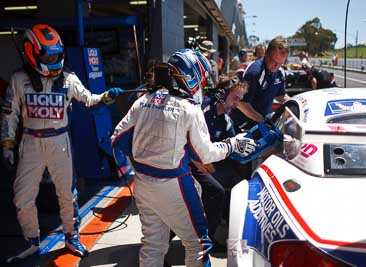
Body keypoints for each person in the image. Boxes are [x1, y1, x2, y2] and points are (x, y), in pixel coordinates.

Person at [111, 49, 257, 267]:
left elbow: (117, 140)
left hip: (142, 181)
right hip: (173, 183)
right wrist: (233, 144)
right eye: (203, 79)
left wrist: (146, 157)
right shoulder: (190, 109)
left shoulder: (143, 101)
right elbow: (205, 154)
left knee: (153, 245)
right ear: (192, 76)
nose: (204, 85)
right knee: (198, 245)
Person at [1, 24, 121, 263]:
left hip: (60, 143)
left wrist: (106, 97)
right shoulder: (19, 79)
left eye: (56, 54)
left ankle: (71, 236)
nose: (52, 59)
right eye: (47, 55)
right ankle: (31, 240)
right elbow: (8, 114)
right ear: (31, 51)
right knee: (22, 198)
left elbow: (89, 99)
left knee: (67, 195)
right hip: (31, 144)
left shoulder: (69, 78)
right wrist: (7, 144)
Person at [192, 72, 248, 242]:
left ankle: (225, 225)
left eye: (240, 99)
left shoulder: (226, 119)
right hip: (190, 163)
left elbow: (232, 145)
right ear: (223, 93)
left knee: (239, 181)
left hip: (209, 163)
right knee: (216, 191)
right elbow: (183, 138)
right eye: (235, 97)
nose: (237, 103)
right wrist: (196, 161)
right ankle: (206, 237)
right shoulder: (201, 111)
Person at [231, 37, 290, 129]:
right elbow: (241, 104)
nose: (276, 66)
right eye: (274, 61)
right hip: (244, 125)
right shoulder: (254, 73)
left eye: (280, 63)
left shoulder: (279, 73)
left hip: (262, 123)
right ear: (266, 54)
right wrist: (263, 121)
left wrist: (293, 102)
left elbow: (280, 96)